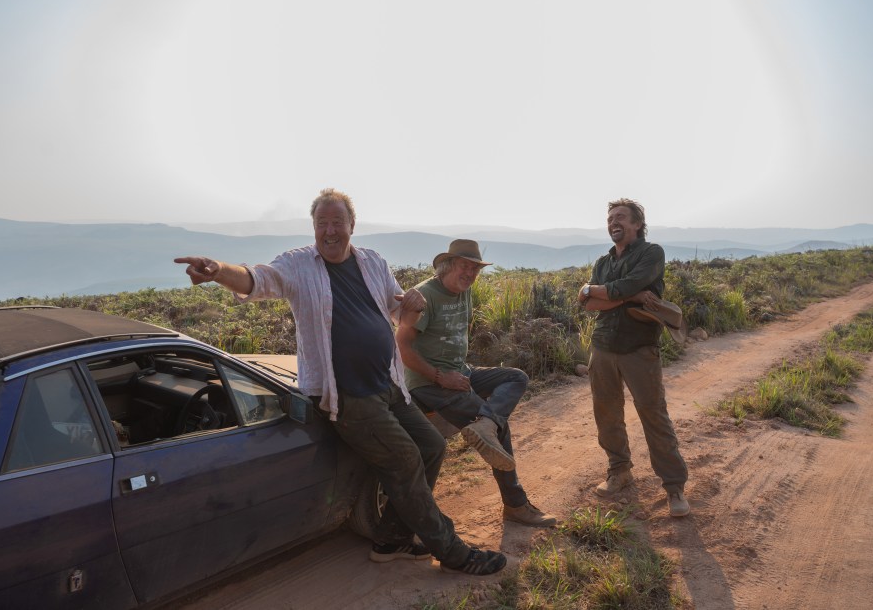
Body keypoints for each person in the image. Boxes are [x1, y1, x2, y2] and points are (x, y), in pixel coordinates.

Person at [174, 189, 507, 575]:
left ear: (352, 225)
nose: (329, 231)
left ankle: (392, 539)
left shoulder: (372, 262)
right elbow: (257, 280)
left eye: (337, 222)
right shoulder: (299, 265)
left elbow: (397, 309)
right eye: (322, 223)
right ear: (314, 227)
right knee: (405, 460)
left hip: (388, 384)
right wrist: (218, 270)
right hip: (348, 396)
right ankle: (453, 552)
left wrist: (411, 305)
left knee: (432, 446)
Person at [396, 239, 558, 527]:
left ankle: (485, 424)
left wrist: (459, 374)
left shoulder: (463, 292)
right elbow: (403, 347)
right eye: (464, 267)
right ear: (447, 266)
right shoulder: (424, 296)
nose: (470, 274)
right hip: (427, 382)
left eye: (475, 269)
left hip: (461, 373)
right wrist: (439, 376)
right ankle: (516, 505)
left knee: (515, 378)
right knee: (501, 429)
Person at [577, 198, 690, 517]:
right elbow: (587, 304)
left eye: (621, 217)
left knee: (654, 415)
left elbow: (621, 286)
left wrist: (598, 290)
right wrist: (627, 296)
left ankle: (674, 487)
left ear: (638, 224)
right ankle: (619, 470)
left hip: (640, 348)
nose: (614, 222)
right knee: (606, 414)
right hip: (602, 347)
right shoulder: (603, 261)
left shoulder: (651, 253)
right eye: (610, 217)